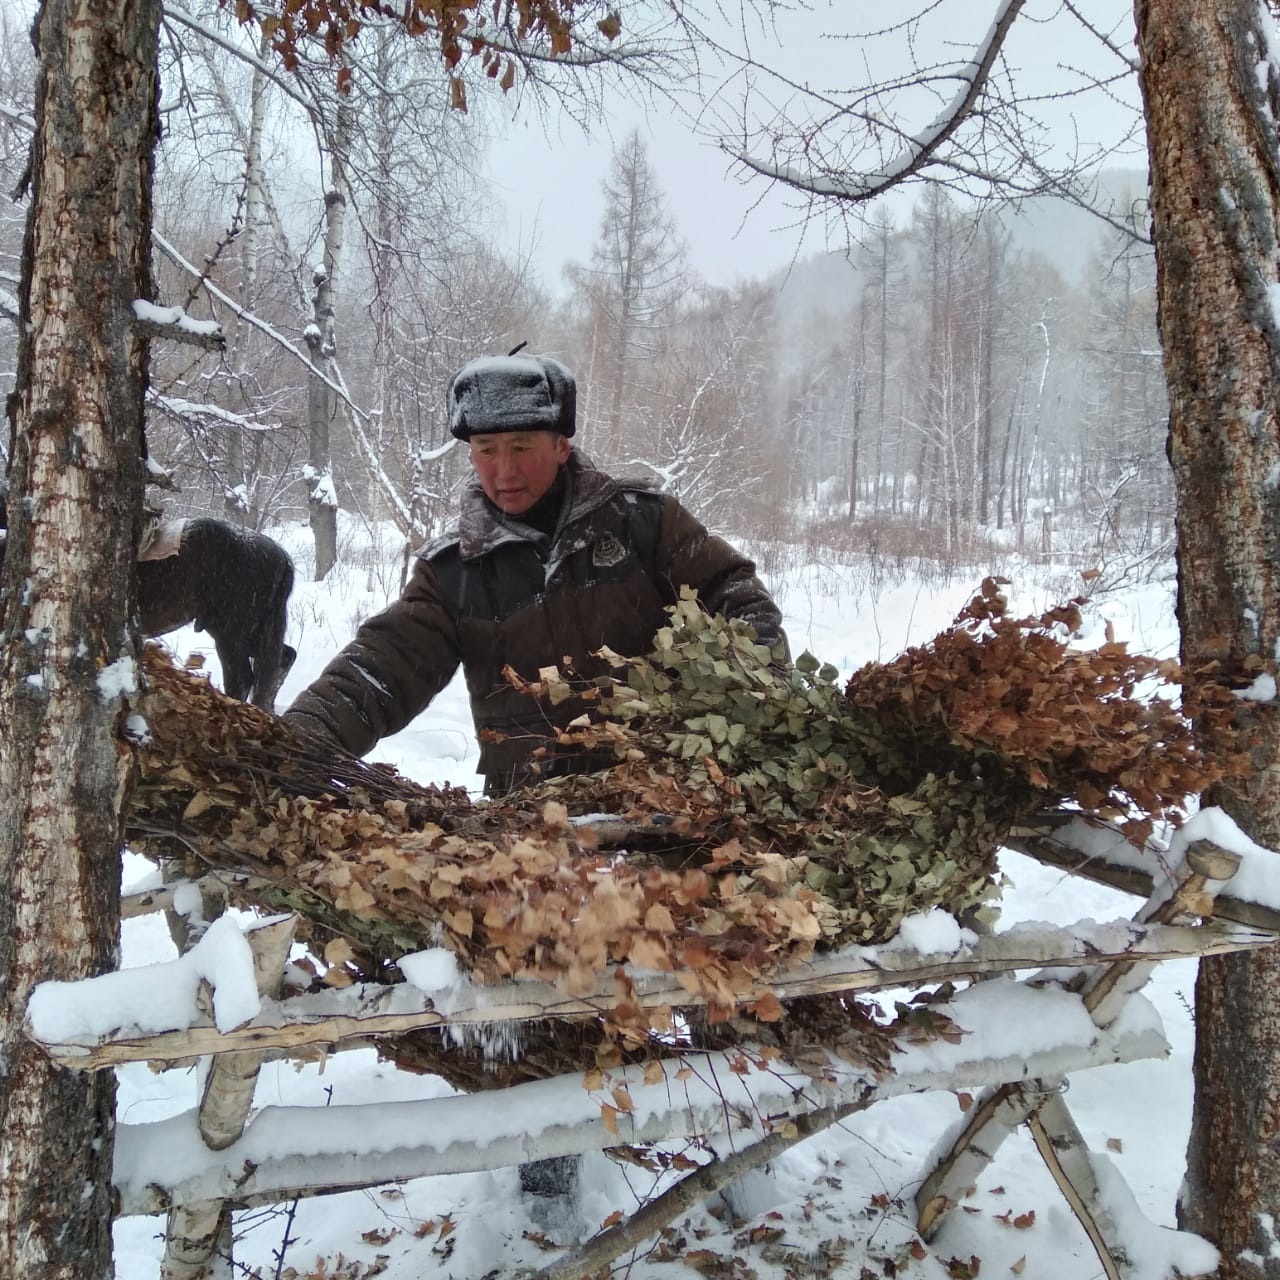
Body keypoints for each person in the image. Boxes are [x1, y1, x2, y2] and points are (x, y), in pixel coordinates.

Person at [284, 351, 788, 795]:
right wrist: (294, 744)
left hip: (664, 798)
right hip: (527, 824)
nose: (504, 471)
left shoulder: (644, 524)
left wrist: (765, 707)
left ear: (560, 447)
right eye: (486, 450)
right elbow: (381, 667)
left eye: (522, 447)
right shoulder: (454, 571)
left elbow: (737, 597)